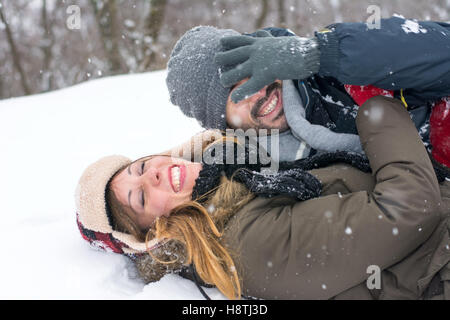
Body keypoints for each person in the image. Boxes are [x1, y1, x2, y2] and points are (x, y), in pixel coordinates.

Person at [76, 96, 450, 300]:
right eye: (140, 198)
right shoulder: (246, 247)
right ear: (152, 235)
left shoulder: (239, 189)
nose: (152, 174)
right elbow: (409, 208)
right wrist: (380, 108)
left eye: (140, 167)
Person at [165, 17, 450, 172]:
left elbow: (442, 51)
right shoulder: (260, 173)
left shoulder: (333, 67)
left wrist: (316, 54)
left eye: (250, 73)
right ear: (223, 124)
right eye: (235, 94)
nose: (257, 93)